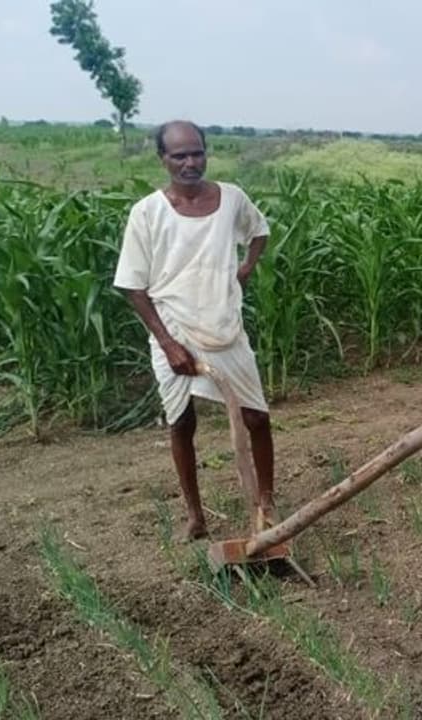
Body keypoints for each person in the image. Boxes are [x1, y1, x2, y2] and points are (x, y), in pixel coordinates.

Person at [114, 120, 276, 541]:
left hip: (223, 326)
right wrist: (168, 344)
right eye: (179, 155)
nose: (190, 162)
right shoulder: (147, 212)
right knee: (182, 422)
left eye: (197, 152)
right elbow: (133, 286)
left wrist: (245, 269)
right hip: (174, 328)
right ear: (163, 159)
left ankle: (267, 504)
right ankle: (194, 516)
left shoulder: (231, 199)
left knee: (256, 417)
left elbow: (258, 231)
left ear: (207, 152)